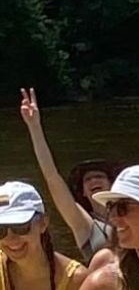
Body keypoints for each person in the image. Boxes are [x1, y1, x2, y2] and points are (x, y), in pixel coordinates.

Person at [19, 88, 118, 263]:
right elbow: (52, 177)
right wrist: (34, 127)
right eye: (88, 180)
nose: (94, 181)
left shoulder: (129, 214)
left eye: (99, 177)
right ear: (83, 192)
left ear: (111, 184)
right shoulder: (84, 223)